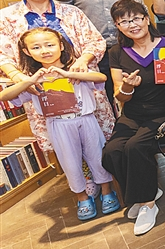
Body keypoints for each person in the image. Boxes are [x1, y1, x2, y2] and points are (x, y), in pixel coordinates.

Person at [1, 0, 115, 154]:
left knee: (100, 144)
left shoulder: (71, 13)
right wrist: (19, 77)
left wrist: (83, 60)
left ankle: (105, 174)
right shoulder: (7, 18)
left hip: (82, 87)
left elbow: (96, 41)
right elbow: (3, 54)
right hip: (41, 92)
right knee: (65, 149)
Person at [103, 0, 165, 236]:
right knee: (111, 151)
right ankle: (147, 191)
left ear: (146, 19)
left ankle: (147, 204)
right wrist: (128, 86)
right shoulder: (117, 53)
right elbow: (120, 95)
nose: (132, 25)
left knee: (135, 146)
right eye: (124, 21)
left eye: (136, 18)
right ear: (118, 26)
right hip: (133, 115)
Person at [7, 28, 119, 221]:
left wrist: (67, 74)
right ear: (27, 52)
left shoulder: (76, 68)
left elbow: (101, 78)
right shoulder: (32, 79)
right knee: (70, 163)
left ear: (60, 46)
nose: (44, 50)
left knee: (97, 156)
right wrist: (29, 81)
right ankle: (82, 198)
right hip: (58, 125)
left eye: (49, 45)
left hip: (86, 119)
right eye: (36, 47)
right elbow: (5, 96)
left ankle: (107, 191)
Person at [60, 0, 141, 108]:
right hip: (90, 55)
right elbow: (63, 21)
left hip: (126, 49)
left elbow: (140, 14)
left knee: (130, 94)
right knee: (99, 101)